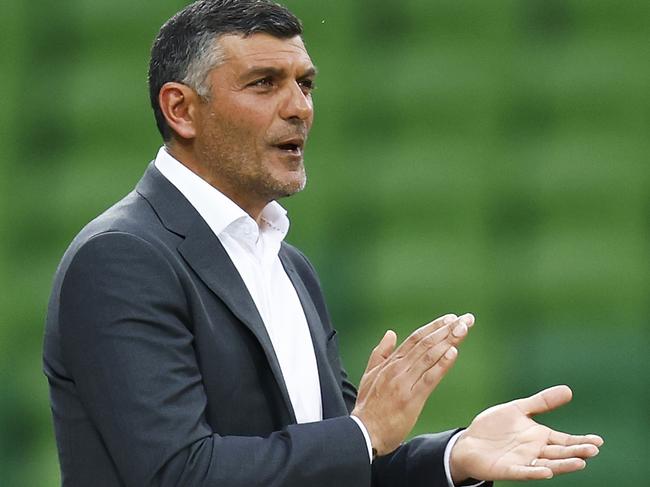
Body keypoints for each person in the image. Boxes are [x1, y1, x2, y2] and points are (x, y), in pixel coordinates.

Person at [43, 1, 603, 486]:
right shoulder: (122, 257)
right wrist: (364, 433)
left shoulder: (289, 265)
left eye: (305, 84)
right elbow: (180, 473)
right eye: (264, 83)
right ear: (181, 109)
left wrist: (456, 456)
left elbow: (332, 466)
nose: (300, 108)